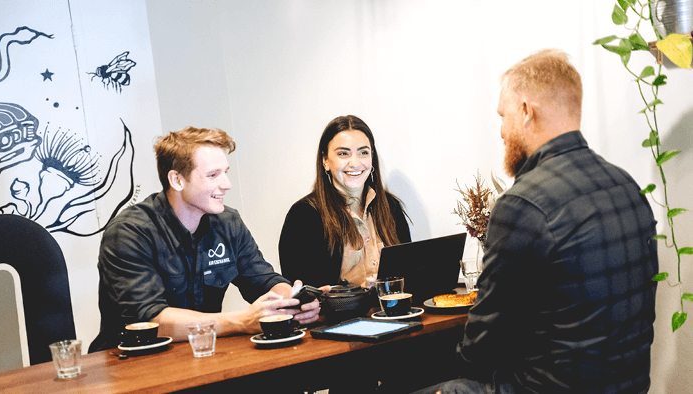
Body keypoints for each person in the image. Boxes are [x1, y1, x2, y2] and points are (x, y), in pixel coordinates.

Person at [413, 49, 658, 393]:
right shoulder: (626, 186)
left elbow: (483, 346)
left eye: (503, 116)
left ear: (526, 112)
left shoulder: (523, 205)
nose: (501, 131)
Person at [89, 127, 321, 352]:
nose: (226, 185)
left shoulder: (228, 222)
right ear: (177, 180)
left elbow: (264, 280)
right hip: (132, 362)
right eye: (213, 175)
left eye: (225, 172)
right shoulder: (130, 232)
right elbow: (150, 318)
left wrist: (291, 301)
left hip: (203, 352)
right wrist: (240, 321)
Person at [278, 115, 411, 289]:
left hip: (393, 311)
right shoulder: (304, 215)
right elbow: (301, 291)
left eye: (363, 152)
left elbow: (409, 269)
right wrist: (358, 292)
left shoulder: (390, 205)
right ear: (325, 160)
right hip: (339, 316)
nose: (355, 163)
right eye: (343, 153)